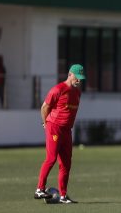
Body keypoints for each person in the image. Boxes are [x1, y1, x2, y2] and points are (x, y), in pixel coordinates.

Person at [34, 64, 85, 204]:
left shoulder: (77, 93)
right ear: (70, 74)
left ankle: (63, 196)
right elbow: (45, 107)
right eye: (77, 77)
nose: (79, 81)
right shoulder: (58, 89)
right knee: (51, 158)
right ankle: (39, 189)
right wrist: (45, 123)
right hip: (54, 127)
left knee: (66, 164)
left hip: (67, 131)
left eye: (81, 78)